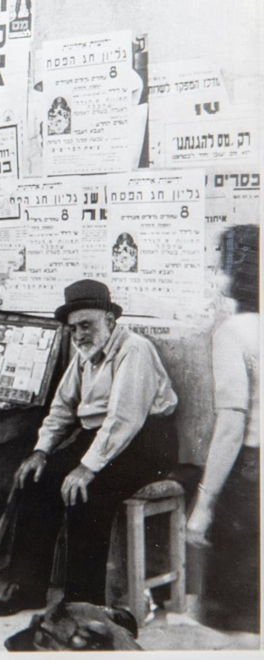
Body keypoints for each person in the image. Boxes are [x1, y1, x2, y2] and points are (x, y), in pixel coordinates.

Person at [0, 279, 179, 616]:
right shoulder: (84, 353)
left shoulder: (134, 349)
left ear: (110, 320)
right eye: (73, 328)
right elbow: (62, 408)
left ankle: (82, 603)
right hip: (102, 438)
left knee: (86, 493)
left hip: (147, 443)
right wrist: (41, 451)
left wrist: (87, 468)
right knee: (35, 479)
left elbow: (125, 419)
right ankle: (28, 588)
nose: (79, 335)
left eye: (86, 325)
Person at [187, 224, 259, 633]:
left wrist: (204, 505)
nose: (215, 276)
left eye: (219, 267)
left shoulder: (233, 333)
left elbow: (232, 424)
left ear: (235, 274)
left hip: (250, 476)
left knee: (236, 620)